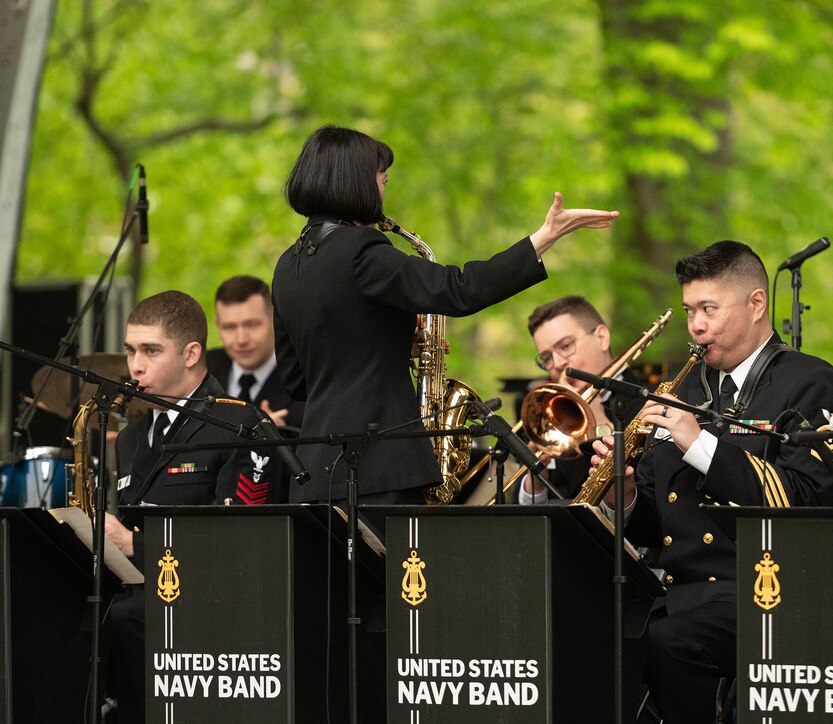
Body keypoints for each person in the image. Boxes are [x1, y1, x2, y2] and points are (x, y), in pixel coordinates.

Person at [272, 124, 619, 505]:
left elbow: (297, 381)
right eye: (382, 179)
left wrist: (387, 343)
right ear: (356, 183)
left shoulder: (288, 266)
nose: (384, 191)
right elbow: (459, 290)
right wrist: (545, 237)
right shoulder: (362, 249)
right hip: (380, 467)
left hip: (317, 474)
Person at [591, 241, 833, 723]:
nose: (696, 326)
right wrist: (622, 493)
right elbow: (656, 524)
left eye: (709, 309)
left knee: (669, 643)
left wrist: (699, 444)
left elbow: (807, 499)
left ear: (757, 304)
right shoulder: (685, 387)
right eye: (690, 310)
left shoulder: (811, 382)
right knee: (578, 628)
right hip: (673, 592)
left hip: (762, 590)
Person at [104, 291, 287, 724]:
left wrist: (134, 545)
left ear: (191, 354)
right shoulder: (131, 439)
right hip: (139, 596)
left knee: (122, 618)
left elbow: (239, 546)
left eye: (151, 351)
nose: (135, 366)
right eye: (131, 351)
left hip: (210, 605)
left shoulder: (238, 423)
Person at [517, 295, 639, 502]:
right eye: (546, 358)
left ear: (602, 337)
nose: (557, 363)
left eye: (565, 346)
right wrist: (536, 481)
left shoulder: (648, 404)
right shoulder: (545, 414)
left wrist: (600, 424)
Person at [208, 275, 304, 429]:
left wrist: (285, 436)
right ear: (218, 324)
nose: (241, 339)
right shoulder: (201, 369)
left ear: (275, 320)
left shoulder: (305, 375)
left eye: (251, 324)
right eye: (229, 327)